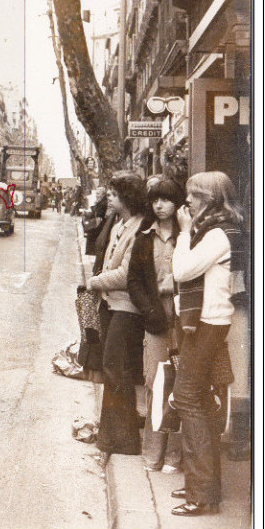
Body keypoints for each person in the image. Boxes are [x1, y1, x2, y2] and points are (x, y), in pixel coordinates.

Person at [170, 172, 245, 516]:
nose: (188, 203)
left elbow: (183, 271)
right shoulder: (219, 229)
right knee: (196, 400)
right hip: (207, 323)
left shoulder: (216, 234)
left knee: (188, 399)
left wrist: (184, 232)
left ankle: (202, 494)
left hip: (207, 324)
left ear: (211, 199)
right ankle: (202, 485)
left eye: (194, 196)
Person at [86, 171, 147, 465]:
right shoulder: (120, 223)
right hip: (112, 306)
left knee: (116, 370)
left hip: (127, 309)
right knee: (112, 370)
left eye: (115, 193)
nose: (109, 196)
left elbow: (126, 274)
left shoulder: (138, 228)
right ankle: (111, 436)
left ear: (128, 197)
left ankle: (122, 439)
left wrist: (95, 282)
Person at [127, 178, 185, 474]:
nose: (159, 205)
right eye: (155, 200)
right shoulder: (144, 237)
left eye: (166, 199)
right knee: (155, 384)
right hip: (155, 318)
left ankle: (175, 456)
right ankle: (153, 453)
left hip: (184, 318)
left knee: (181, 386)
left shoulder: (188, 236)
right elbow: (133, 281)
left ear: (178, 202)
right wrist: (149, 310)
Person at [83, 187, 108, 256]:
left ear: (102, 194)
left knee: (90, 231)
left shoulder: (103, 203)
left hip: (100, 225)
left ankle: (92, 252)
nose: (96, 195)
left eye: (98, 193)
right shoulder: (101, 201)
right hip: (99, 223)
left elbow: (99, 215)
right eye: (96, 193)